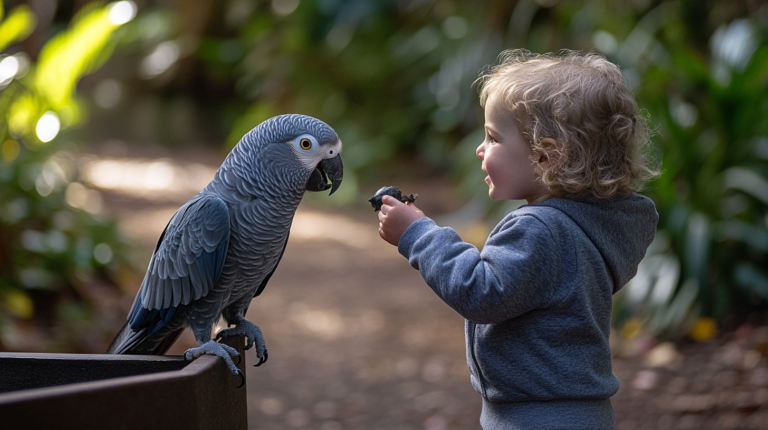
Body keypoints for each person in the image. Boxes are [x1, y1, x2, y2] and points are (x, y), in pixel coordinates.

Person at [376, 50, 660, 429]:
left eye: (493, 137)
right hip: (580, 412)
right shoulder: (591, 226)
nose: (480, 149)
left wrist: (417, 233)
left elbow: (480, 291)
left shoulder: (541, 230)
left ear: (546, 157)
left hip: (537, 418)